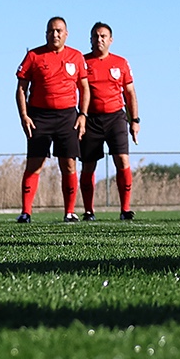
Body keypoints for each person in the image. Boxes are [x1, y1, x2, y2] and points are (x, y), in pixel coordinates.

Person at [15, 17, 90, 222]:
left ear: (66, 33)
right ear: (46, 33)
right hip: (39, 116)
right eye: (50, 31)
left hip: (68, 117)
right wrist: (24, 115)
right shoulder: (34, 56)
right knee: (34, 164)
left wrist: (82, 115)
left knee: (69, 165)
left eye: (58, 31)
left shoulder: (75, 56)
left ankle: (70, 212)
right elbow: (21, 89)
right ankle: (26, 212)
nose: (54, 34)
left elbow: (84, 88)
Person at [80, 22, 139, 220]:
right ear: (90, 39)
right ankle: (89, 211)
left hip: (116, 118)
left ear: (111, 40)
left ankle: (125, 209)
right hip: (91, 119)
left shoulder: (121, 63)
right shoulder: (82, 61)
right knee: (88, 165)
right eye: (96, 36)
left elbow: (130, 93)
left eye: (103, 36)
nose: (99, 39)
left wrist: (135, 120)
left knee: (122, 160)